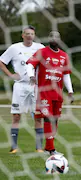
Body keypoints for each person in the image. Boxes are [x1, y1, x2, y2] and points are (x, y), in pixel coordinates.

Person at [26, 31, 74, 155]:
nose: (54, 38)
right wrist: (31, 76)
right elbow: (29, 65)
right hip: (44, 93)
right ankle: (51, 149)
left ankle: (48, 147)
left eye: (56, 36)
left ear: (60, 39)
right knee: (48, 118)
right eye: (51, 36)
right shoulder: (42, 52)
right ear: (48, 38)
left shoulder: (64, 56)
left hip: (57, 94)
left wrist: (70, 91)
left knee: (55, 120)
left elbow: (66, 75)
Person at [0, 25, 45, 153]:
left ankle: (39, 148)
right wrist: (10, 75)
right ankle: (14, 147)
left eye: (31, 34)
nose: (29, 36)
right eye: (27, 33)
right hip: (20, 85)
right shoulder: (14, 48)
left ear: (34, 35)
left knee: (38, 116)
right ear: (22, 35)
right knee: (16, 116)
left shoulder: (40, 48)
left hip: (35, 86)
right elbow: (1, 61)